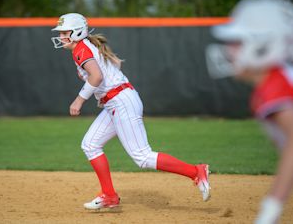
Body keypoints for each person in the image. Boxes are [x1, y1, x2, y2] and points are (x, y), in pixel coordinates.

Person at [51, 13, 210, 210]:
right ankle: (109, 195)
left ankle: (196, 171)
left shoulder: (81, 49)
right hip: (115, 101)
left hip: (121, 101)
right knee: (90, 145)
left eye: (64, 32)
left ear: (77, 32)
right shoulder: (85, 47)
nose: (60, 37)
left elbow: (97, 76)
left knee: (142, 156)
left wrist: (79, 100)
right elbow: (108, 69)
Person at [206, 0, 293, 223]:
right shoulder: (287, 79)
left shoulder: (275, 84)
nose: (229, 49)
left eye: (237, 41)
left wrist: (271, 208)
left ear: (266, 44)